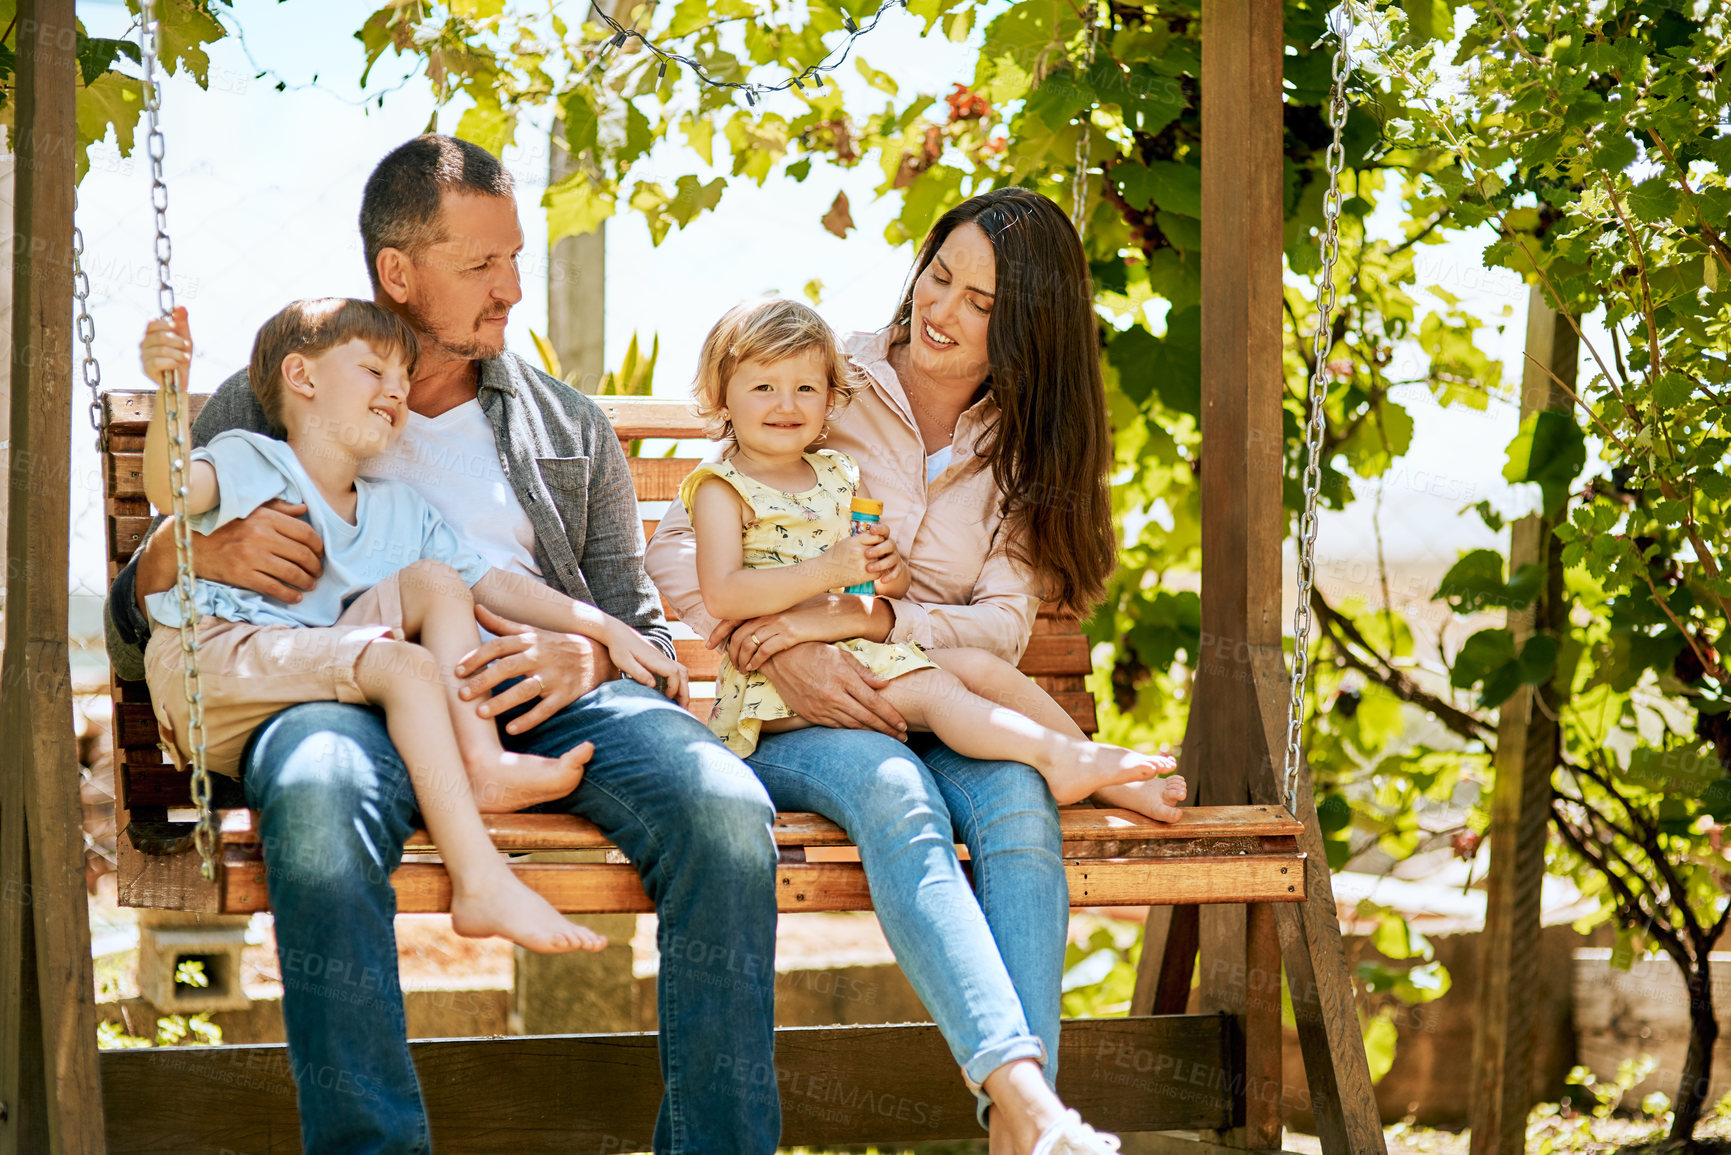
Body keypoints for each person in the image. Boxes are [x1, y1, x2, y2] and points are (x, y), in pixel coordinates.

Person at [106, 136, 781, 1154]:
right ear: (398, 273)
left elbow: (637, 629)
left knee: (728, 814)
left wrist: (587, 657)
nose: (513, 289)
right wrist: (185, 553)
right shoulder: (270, 400)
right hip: (332, 689)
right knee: (322, 801)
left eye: (517, 258)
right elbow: (138, 628)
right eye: (482, 265)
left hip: (549, 696)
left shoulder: (564, 423)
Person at [648, 190, 1178, 1154]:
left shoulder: (1023, 441)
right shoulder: (818, 374)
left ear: (1024, 329)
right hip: (801, 714)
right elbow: (687, 554)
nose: (942, 311)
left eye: (981, 303)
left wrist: (882, 617)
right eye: (941, 276)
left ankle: (1020, 1129)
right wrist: (799, 646)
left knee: (1018, 800)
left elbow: (1003, 627)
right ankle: (1030, 1111)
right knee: (898, 794)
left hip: (935, 695)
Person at [139, 297, 689, 954]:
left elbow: (494, 584)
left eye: (402, 380)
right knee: (403, 663)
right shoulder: (249, 460)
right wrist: (168, 391)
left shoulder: (397, 508)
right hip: (213, 663)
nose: (395, 392)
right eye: (374, 372)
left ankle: (482, 760)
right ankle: (481, 881)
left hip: (306, 661)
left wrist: (603, 626)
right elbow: (172, 489)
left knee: (437, 580)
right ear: (302, 377)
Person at [681, 297, 1187, 818]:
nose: (786, 404)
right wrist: (830, 569)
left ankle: (1100, 768)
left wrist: (888, 574)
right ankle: (1056, 758)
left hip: (854, 647)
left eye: (805, 388)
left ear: (831, 400)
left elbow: (868, 586)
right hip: (769, 690)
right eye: (763, 387)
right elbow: (723, 592)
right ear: (722, 400)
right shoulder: (725, 488)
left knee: (981, 668)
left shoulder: (836, 472)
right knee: (939, 690)